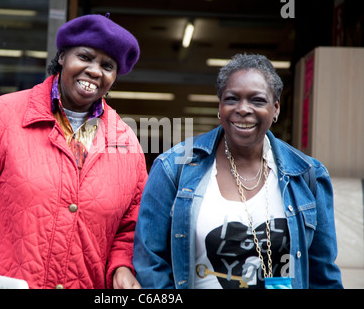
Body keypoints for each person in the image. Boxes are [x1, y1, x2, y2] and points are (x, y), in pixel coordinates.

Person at [0, 14, 146, 289]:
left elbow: (131, 229)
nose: (94, 70)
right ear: (63, 56)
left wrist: (122, 264)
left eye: (107, 65)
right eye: (85, 57)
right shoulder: (1, 117)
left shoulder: (127, 145)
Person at [133, 53, 343, 289]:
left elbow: (322, 274)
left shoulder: (308, 175)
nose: (243, 109)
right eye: (232, 99)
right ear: (220, 107)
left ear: (276, 109)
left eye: (257, 100)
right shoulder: (174, 168)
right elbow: (149, 262)